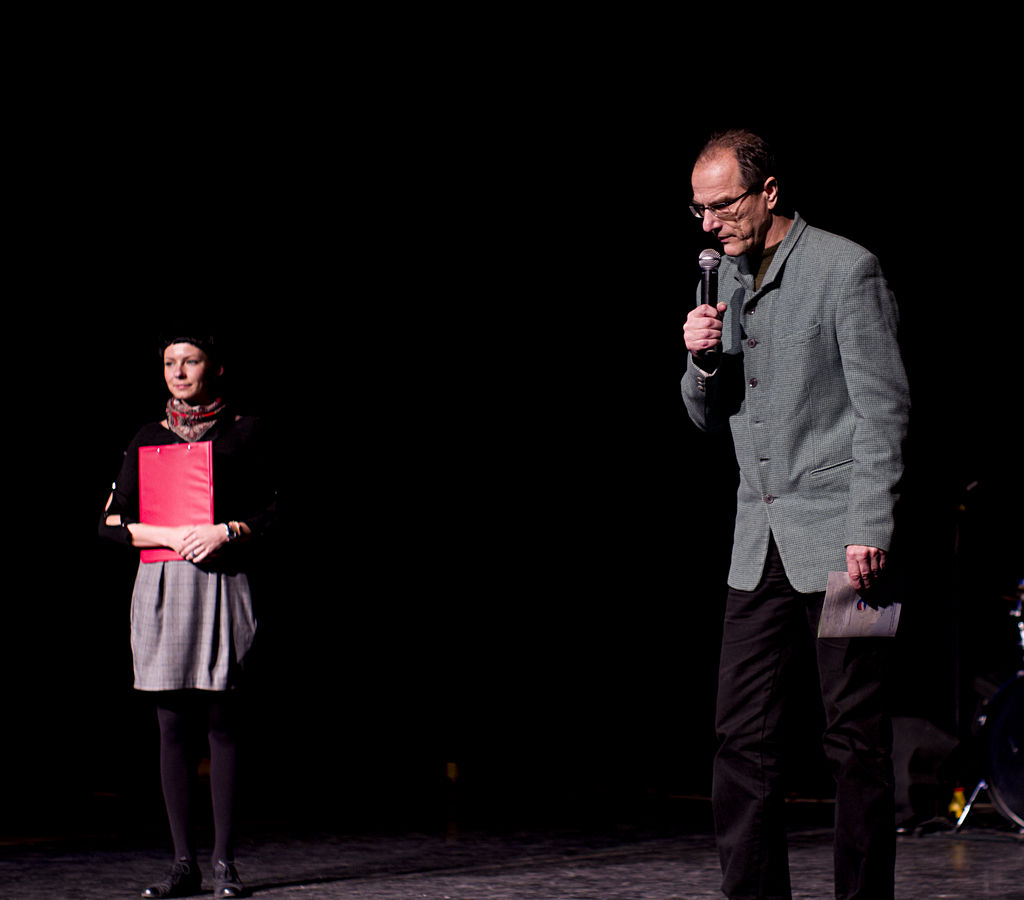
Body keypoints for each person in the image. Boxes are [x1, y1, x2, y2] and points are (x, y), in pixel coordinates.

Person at [681, 130, 910, 900]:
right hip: (759, 548)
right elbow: (707, 418)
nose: (709, 223)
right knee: (739, 737)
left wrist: (870, 527)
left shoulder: (847, 269)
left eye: (723, 205)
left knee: (856, 742)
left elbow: (884, 410)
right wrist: (701, 362)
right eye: (698, 209)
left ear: (769, 192)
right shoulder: (722, 281)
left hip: (849, 547)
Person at [100, 334, 278, 899]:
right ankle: (183, 863)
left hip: (223, 580)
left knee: (224, 722)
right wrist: (171, 534)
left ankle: (225, 862)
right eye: (169, 363)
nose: (179, 372)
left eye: (190, 361)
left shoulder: (245, 431)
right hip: (163, 583)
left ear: (215, 368)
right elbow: (109, 522)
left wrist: (227, 530)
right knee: (172, 725)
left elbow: (275, 511)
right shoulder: (147, 437)